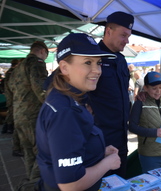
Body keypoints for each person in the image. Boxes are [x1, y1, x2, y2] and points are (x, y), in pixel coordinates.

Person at [36, 33, 121, 191]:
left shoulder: (66, 98)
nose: (97, 71)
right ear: (64, 68)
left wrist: (99, 152)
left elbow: (66, 149)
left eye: (99, 63)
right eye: (88, 62)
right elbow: (70, 184)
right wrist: (108, 163)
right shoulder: (65, 111)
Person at [88, 11, 134, 178]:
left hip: (121, 137)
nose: (127, 40)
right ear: (108, 31)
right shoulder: (92, 55)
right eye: (123, 35)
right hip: (100, 139)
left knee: (120, 181)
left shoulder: (121, 60)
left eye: (128, 36)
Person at [9, 41, 48, 182]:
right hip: (33, 116)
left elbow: (10, 89)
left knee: (28, 153)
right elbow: (41, 89)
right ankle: (37, 184)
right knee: (42, 152)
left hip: (18, 115)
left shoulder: (18, 68)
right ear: (43, 51)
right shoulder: (36, 63)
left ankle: (31, 183)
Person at [1, 59, 19, 134]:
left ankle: (6, 127)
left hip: (9, 93)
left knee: (11, 110)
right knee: (11, 110)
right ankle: (8, 127)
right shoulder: (12, 72)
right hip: (11, 94)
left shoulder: (9, 72)